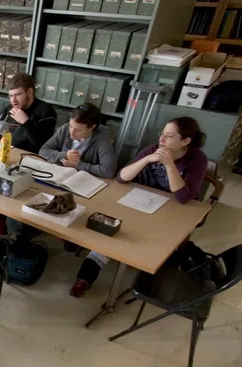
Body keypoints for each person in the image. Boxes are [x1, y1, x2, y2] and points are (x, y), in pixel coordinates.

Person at [70, 117, 209, 297]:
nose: (162, 139)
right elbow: (122, 177)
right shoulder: (152, 149)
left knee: (143, 241)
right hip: (142, 201)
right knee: (112, 234)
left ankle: (145, 274)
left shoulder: (197, 159)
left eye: (169, 136)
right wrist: (146, 160)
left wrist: (169, 164)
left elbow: (183, 197)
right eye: (162, 134)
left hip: (174, 211)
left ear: (185, 141)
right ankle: (85, 278)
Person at [39, 103, 117, 179]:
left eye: (78, 130)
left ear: (92, 127)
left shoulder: (102, 138)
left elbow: (108, 171)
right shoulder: (65, 128)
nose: (71, 132)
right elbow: (43, 151)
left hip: (83, 179)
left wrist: (78, 164)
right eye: (71, 126)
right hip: (59, 173)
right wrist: (65, 155)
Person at [0, 73, 57, 153]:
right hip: (6, 153)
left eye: (18, 95)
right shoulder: (10, 108)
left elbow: (43, 146)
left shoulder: (46, 112)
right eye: (11, 96)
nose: (13, 100)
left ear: (29, 92)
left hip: (29, 158)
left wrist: (26, 123)